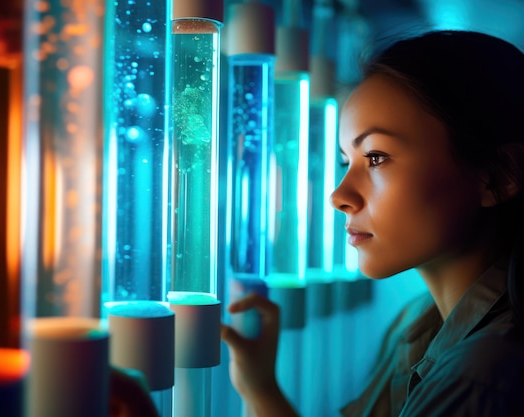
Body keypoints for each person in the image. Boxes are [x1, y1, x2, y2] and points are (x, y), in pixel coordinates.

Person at [221, 30, 524, 416]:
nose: (338, 196)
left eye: (376, 157)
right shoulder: (416, 325)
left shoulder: (479, 378)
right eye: (346, 161)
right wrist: (259, 386)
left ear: (500, 175)